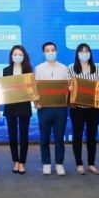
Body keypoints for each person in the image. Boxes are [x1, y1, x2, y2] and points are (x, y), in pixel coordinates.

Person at [34, 42, 69, 176]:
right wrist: (36, 102)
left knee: (59, 137)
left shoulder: (64, 68)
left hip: (60, 108)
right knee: (44, 138)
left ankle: (59, 164)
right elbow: (35, 88)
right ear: (43, 53)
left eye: (52, 50)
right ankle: (46, 163)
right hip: (44, 108)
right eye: (47, 50)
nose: (50, 52)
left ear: (56, 51)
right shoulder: (39, 68)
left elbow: (68, 87)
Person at [68, 43, 99, 175]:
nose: (84, 53)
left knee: (91, 136)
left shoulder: (97, 69)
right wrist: (69, 88)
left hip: (94, 108)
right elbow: (68, 87)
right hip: (77, 108)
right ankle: (79, 164)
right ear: (77, 54)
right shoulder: (71, 69)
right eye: (81, 51)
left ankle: (91, 164)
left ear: (90, 53)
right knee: (77, 136)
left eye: (86, 51)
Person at [2, 45, 33, 175]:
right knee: (12, 135)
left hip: (24, 105)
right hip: (10, 106)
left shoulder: (28, 70)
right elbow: (4, 88)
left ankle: (22, 162)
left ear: (24, 56)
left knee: (24, 135)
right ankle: (15, 160)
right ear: (11, 56)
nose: (17, 56)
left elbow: (31, 89)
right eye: (15, 54)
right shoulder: (6, 70)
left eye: (20, 54)